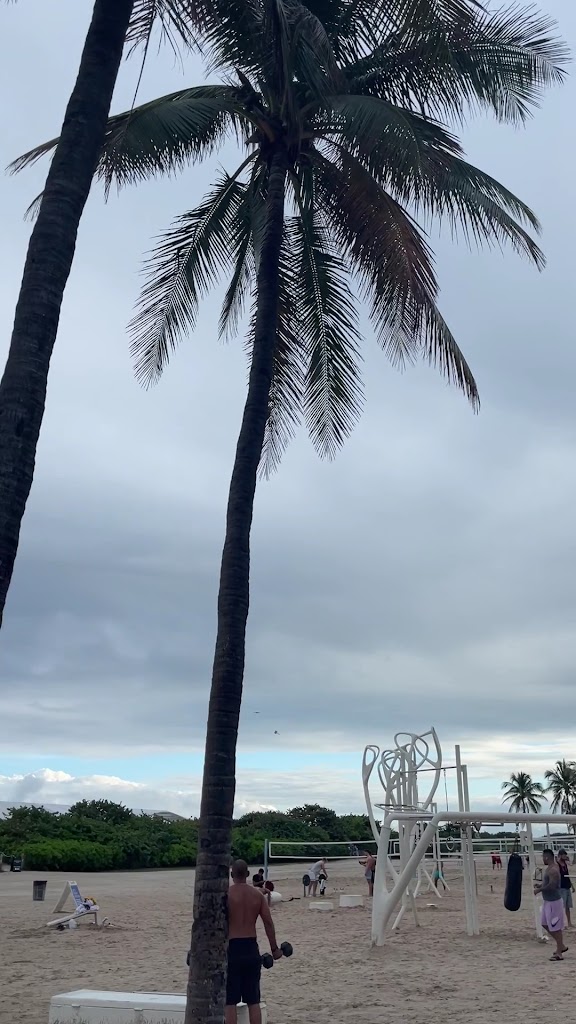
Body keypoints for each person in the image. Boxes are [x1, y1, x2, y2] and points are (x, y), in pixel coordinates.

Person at [226, 859, 282, 1024]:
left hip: (232, 948)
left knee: (230, 1001)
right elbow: (268, 923)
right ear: (248, 875)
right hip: (251, 947)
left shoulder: (226, 895)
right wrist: (275, 949)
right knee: (253, 1000)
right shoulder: (257, 895)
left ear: (231, 875)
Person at [534, 849, 568, 961]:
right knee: (544, 923)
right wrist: (541, 885)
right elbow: (548, 883)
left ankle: (559, 953)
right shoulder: (548, 868)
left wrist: (539, 890)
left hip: (554, 902)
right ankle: (561, 945)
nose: (542, 859)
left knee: (556, 927)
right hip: (547, 901)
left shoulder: (553, 870)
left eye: (543, 857)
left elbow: (553, 886)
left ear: (546, 857)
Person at [557, 849, 574, 928]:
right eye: (564, 854)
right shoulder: (557, 865)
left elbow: (567, 875)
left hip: (567, 887)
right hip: (561, 887)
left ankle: (569, 922)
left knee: (567, 906)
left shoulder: (564, 864)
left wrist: (572, 885)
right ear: (560, 855)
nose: (565, 856)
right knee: (561, 906)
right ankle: (561, 923)